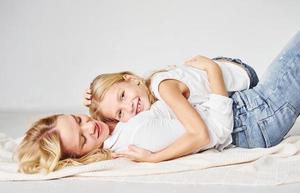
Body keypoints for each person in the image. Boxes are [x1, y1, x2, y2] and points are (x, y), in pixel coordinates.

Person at [16, 31, 300, 173]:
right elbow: (205, 133)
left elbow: (104, 120)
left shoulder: (114, 126)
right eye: (81, 138)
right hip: (253, 116)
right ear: (79, 156)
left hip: (247, 105)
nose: (89, 126)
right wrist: (154, 158)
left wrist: (94, 103)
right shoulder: (136, 134)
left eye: (78, 119)